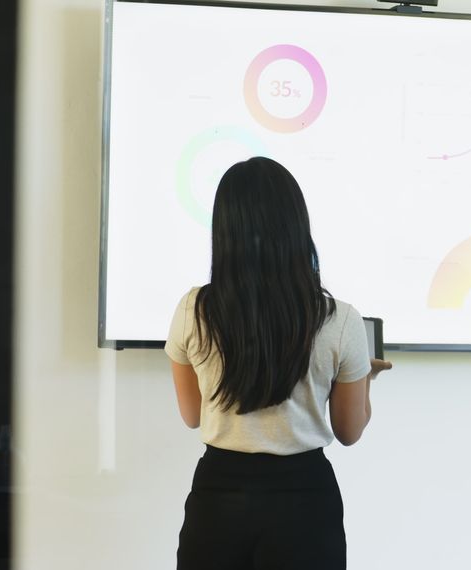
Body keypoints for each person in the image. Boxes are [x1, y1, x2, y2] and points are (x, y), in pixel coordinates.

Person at [165, 156, 391, 570]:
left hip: (218, 500)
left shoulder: (192, 310)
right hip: (305, 503)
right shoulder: (340, 319)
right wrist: (367, 378)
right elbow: (349, 431)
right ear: (296, 227)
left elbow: (192, 414)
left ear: (225, 230)